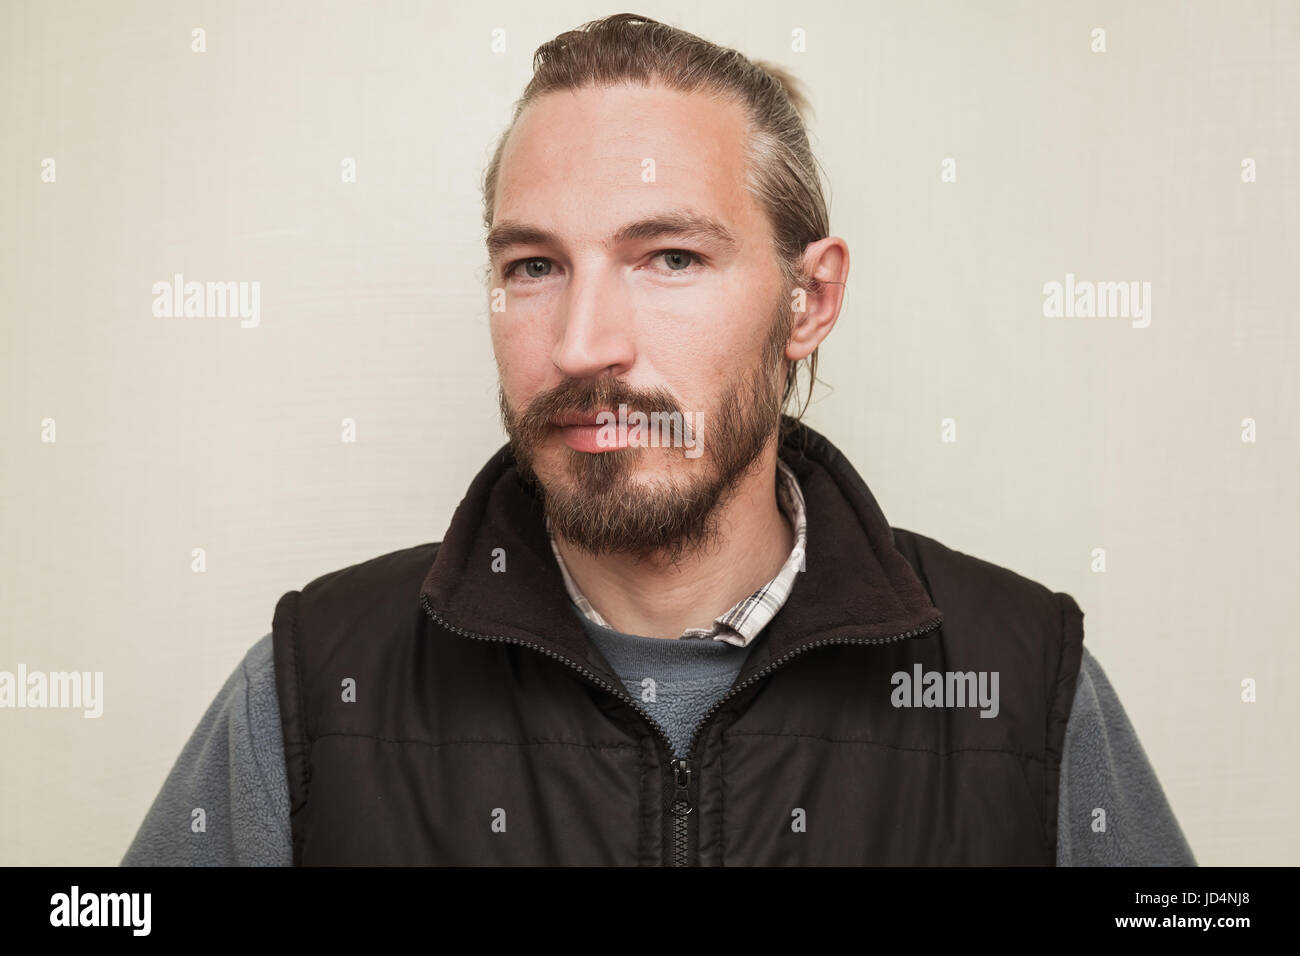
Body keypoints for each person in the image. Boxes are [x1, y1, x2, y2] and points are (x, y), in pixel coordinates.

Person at [122, 13, 1195, 866]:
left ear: (808, 299)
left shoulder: (1019, 682)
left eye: (670, 257)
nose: (583, 343)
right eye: (533, 265)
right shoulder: (312, 687)